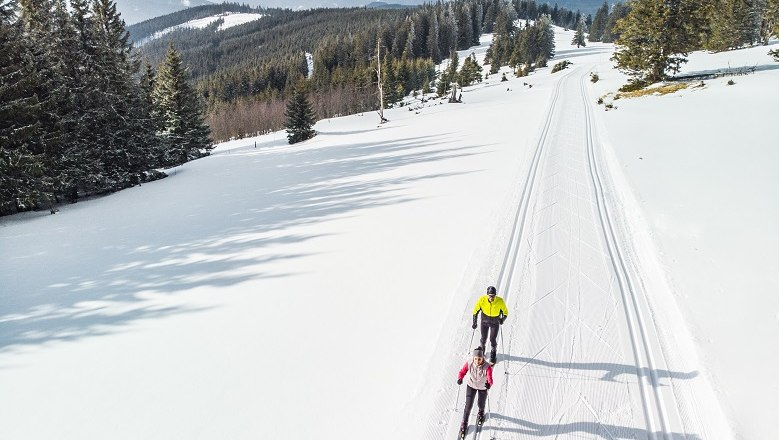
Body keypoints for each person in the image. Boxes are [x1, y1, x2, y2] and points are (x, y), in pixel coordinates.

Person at [456, 346, 493, 437]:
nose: (477, 361)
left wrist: (489, 384)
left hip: (482, 387)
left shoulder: (487, 366)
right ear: (473, 358)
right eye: (475, 359)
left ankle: (481, 412)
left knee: (481, 403)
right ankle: (464, 422)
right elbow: (462, 371)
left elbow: (490, 378)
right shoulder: (469, 363)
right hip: (471, 386)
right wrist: (460, 378)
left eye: (479, 359)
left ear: (482, 358)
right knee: (468, 405)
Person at [472, 286, 508, 364]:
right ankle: (482, 351)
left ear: (495, 295)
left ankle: (493, 353)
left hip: (495, 323)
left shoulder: (500, 301)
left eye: (493, 296)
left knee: (492, 339)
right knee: (483, 338)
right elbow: (475, 311)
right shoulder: (482, 300)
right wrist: (474, 322)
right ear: (487, 295)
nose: (491, 297)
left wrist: (502, 319)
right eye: (490, 295)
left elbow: (505, 313)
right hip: (484, 322)